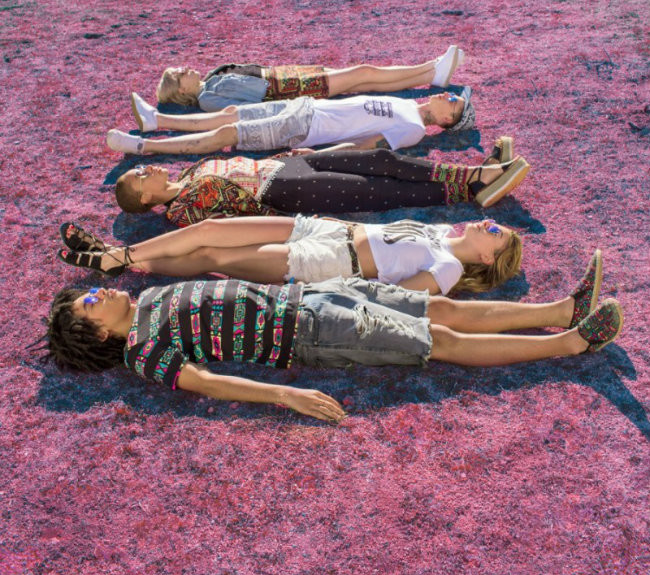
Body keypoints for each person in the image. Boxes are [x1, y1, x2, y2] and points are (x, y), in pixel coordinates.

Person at [45, 251, 623, 421]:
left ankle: (561, 309)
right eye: (90, 302)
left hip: (313, 295)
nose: (99, 292)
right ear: (94, 333)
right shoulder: (143, 352)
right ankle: (572, 342)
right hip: (312, 331)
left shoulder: (148, 297)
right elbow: (207, 383)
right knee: (438, 339)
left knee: (440, 307)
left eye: (90, 290)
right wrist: (285, 394)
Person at [58, 216, 523, 296]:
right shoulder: (439, 233)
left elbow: (398, 296)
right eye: (494, 223)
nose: (488, 223)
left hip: (329, 263)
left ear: (488, 258)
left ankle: (117, 258)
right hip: (327, 230)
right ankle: (116, 256)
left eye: (495, 233)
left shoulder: (450, 268)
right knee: (211, 229)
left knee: (212, 254)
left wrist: (329, 289)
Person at [114, 138, 528, 223]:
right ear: (145, 199)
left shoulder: (191, 172)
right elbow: (234, 225)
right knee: (381, 192)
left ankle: (473, 177)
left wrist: (290, 156)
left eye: (142, 167)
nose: (148, 169)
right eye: (141, 176)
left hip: (288, 166)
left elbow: (244, 164)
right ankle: (475, 181)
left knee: (380, 159)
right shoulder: (182, 212)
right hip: (285, 193)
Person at [107, 89, 478, 159]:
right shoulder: (407, 105)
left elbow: (366, 145)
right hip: (305, 107)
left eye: (453, 102)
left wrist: (317, 156)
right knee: (231, 113)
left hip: (305, 129)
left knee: (226, 135)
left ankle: (144, 146)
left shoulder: (414, 129)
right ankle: (156, 120)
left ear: (447, 121)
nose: (448, 95)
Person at [154, 46, 465, 112]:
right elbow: (245, 110)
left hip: (289, 77)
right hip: (287, 90)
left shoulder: (211, 78)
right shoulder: (207, 99)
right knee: (363, 72)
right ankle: (430, 69)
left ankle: (432, 74)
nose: (185, 68)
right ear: (181, 91)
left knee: (363, 81)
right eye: (179, 74)